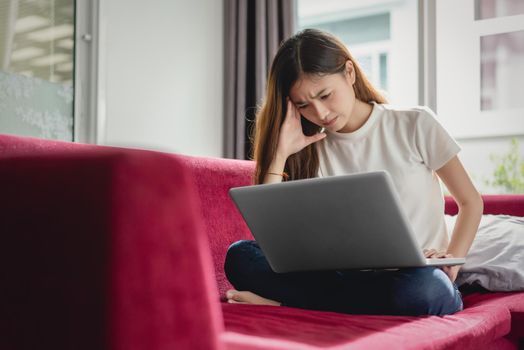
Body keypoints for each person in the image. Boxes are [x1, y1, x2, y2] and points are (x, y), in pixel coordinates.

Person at [224, 29, 483, 316]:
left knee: (422, 289)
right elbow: (270, 239)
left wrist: (452, 263)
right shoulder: (308, 149)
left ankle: (291, 303)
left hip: (414, 277)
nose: (320, 113)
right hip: (342, 277)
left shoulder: (414, 124)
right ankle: (332, 304)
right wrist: (280, 154)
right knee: (240, 256)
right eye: (303, 105)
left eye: (325, 95)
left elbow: (471, 202)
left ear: (349, 72)